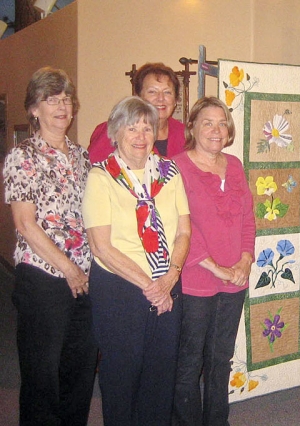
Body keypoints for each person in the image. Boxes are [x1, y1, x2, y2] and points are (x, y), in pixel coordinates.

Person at [83, 96, 191, 425]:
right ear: (115, 133)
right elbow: (101, 247)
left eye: (147, 127)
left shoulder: (169, 172)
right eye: (132, 127)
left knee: (161, 374)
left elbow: (184, 231)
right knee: (121, 377)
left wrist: (170, 278)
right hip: (120, 289)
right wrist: (151, 286)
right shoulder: (100, 178)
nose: (141, 134)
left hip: (167, 284)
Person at [3, 67, 97, 425]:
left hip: (86, 279)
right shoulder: (22, 156)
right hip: (44, 278)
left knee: (79, 370)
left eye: (66, 99)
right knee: (42, 375)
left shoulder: (82, 156)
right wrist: (69, 268)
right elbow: (26, 224)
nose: (61, 106)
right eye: (51, 99)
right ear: (34, 109)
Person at [172, 97, 255, 425]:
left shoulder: (234, 165)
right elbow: (180, 226)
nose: (216, 130)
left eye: (222, 123)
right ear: (192, 127)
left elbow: (248, 217)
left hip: (235, 280)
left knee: (221, 359)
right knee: (189, 363)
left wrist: (246, 260)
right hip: (197, 280)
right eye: (207, 122)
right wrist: (215, 267)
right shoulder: (176, 167)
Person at [87, 62, 185, 162]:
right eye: (152, 92)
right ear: (138, 97)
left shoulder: (186, 135)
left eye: (167, 92)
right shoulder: (113, 130)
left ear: (176, 100)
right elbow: (93, 169)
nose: (161, 98)